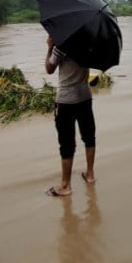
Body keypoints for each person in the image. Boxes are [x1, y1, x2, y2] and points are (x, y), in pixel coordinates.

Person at [45, 34, 95, 197]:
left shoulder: (61, 47)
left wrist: (50, 47)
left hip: (66, 100)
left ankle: (65, 186)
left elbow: (49, 69)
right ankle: (90, 175)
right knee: (89, 136)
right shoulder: (88, 44)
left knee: (66, 143)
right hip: (85, 96)